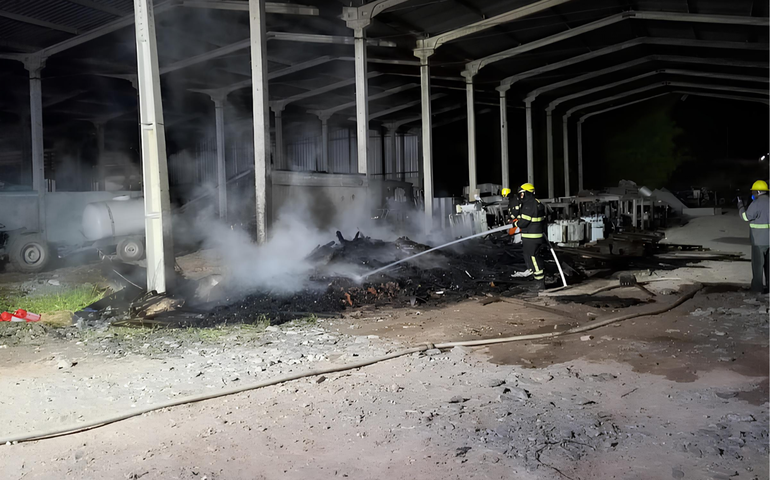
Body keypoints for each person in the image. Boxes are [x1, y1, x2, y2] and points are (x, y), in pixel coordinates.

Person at [738, 180, 770, 293]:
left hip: (758, 241)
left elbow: (746, 217)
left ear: (758, 191)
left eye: (754, 192)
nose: (753, 194)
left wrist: (740, 206)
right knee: (768, 266)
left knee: (757, 267)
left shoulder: (756, 203)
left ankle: (757, 289)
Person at [514, 183, 547, 288]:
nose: (521, 196)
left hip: (531, 237)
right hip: (535, 236)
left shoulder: (529, 204)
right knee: (531, 257)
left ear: (527, 193)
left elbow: (524, 222)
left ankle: (540, 282)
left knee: (533, 258)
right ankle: (537, 279)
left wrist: (516, 224)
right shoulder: (537, 203)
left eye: (522, 194)